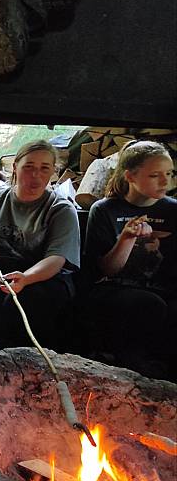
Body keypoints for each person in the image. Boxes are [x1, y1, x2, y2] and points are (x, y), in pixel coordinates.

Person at [0, 139, 80, 349]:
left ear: (53, 171)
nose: (36, 175)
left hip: (42, 275)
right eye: (28, 167)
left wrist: (26, 279)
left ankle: (20, 358)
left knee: (32, 297)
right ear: (15, 167)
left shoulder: (61, 209)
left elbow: (56, 259)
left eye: (44, 168)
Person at [83, 140, 176, 379]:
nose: (165, 182)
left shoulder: (173, 210)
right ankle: (132, 369)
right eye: (155, 175)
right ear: (130, 176)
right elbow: (106, 270)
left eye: (169, 173)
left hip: (162, 288)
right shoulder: (104, 210)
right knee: (148, 304)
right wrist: (126, 239)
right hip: (114, 288)